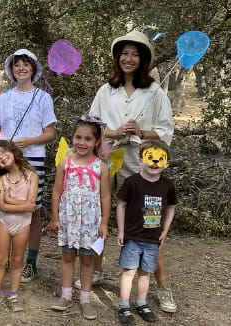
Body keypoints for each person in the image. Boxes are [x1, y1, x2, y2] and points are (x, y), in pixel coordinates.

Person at [85, 30, 176, 313]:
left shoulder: (155, 92)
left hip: (139, 163)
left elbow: (165, 131)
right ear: (117, 57)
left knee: (148, 223)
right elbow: (92, 127)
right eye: (124, 53)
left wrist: (141, 130)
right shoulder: (106, 90)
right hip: (106, 158)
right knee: (99, 214)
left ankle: (162, 286)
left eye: (135, 54)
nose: (129, 58)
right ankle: (96, 270)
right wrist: (112, 131)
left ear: (143, 59)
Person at [0, 49, 56, 282]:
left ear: (34, 68)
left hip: (33, 159)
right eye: (17, 64)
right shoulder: (4, 98)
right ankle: (4, 260)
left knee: (32, 210)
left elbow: (50, 133)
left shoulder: (43, 98)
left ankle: (31, 262)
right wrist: (0, 145)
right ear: (11, 69)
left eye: (26, 64)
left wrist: (30, 141)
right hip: (7, 161)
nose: (21, 68)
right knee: (4, 206)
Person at [48, 116, 111, 320]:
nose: (82, 143)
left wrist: (104, 223)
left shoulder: (100, 167)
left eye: (88, 139)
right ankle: (66, 295)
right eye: (78, 137)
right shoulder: (64, 164)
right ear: (72, 138)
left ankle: (85, 298)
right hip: (69, 219)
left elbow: (105, 196)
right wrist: (55, 217)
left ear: (97, 142)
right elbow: (57, 191)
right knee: (67, 255)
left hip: (90, 221)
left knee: (86, 258)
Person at [116, 140, 177, 325]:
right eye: (150, 157)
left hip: (152, 239)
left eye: (160, 159)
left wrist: (165, 230)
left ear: (166, 163)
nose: (155, 162)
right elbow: (121, 205)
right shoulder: (132, 182)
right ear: (141, 159)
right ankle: (124, 306)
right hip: (132, 237)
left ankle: (142, 303)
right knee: (129, 272)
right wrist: (120, 230)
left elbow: (171, 207)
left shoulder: (167, 185)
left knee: (145, 273)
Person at [0, 140, 39, 312]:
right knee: (1, 260)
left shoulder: (31, 176)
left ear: (12, 150)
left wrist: (9, 199)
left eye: (2, 151)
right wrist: (15, 203)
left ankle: (13, 294)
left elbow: (31, 205)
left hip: (23, 224)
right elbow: (3, 207)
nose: (0, 156)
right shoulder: (1, 179)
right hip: (5, 222)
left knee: (17, 260)